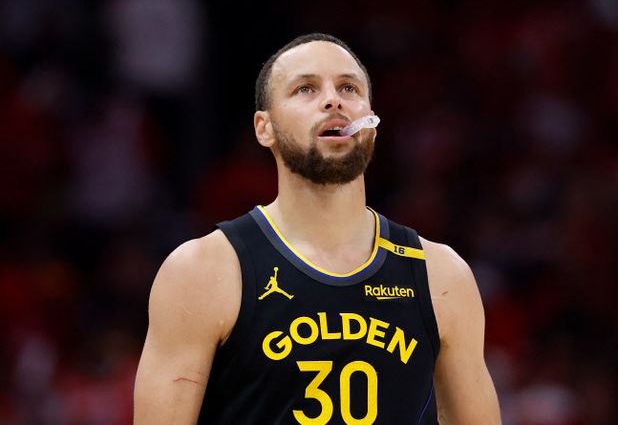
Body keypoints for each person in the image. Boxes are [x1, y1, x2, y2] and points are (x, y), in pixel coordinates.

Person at [133, 33, 501, 424]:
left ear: (372, 122)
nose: (333, 100)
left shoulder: (441, 274)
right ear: (264, 128)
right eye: (305, 89)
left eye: (349, 88)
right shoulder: (202, 271)